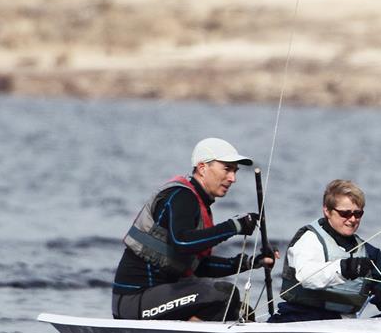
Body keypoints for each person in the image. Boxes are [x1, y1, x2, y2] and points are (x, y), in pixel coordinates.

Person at [112, 137, 276, 322]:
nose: (233, 178)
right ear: (202, 168)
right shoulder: (181, 196)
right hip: (134, 301)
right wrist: (234, 226)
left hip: (157, 298)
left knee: (241, 311)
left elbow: (200, 266)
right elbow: (183, 242)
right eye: (227, 169)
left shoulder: (199, 204)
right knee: (223, 294)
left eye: (235, 171)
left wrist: (251, 262)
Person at [269, 179, 381, 323]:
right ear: (327, 210)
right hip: (297, 319)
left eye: (358, 214)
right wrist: (344, 269)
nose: (352, 219)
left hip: (340, 324)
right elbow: (307, 277)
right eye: (345, 213)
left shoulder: (369, 253)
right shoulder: (309, 239)